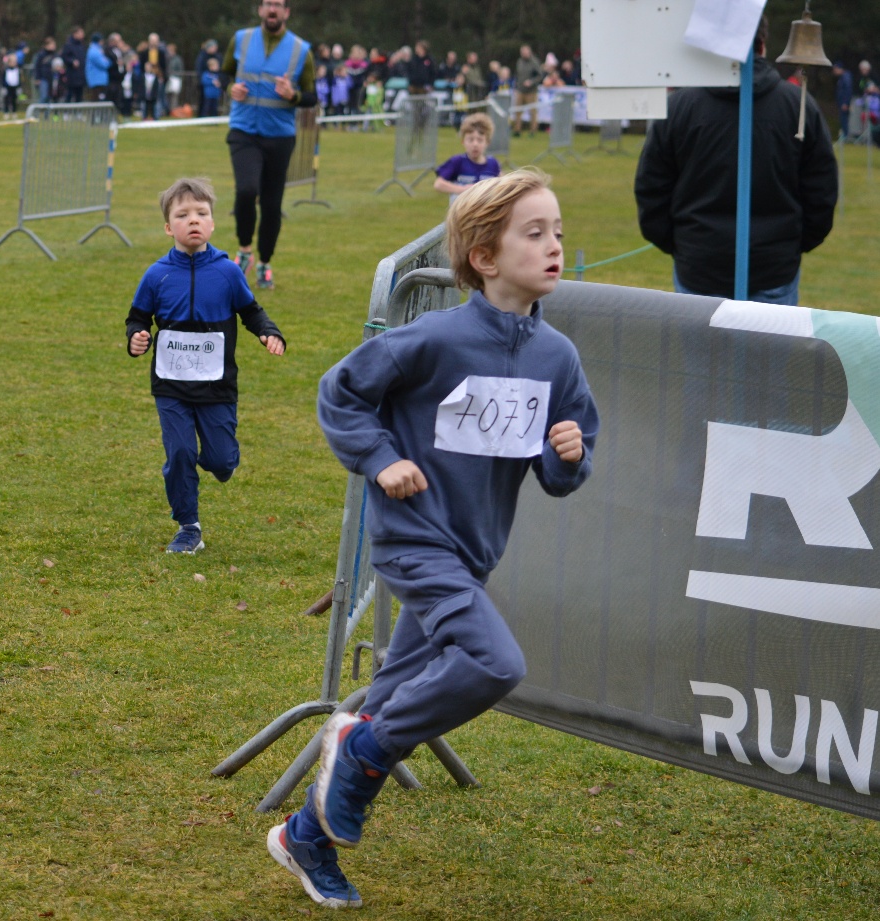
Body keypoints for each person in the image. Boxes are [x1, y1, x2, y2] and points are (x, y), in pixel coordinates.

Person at [269, 168, 597, 909]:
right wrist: (384, 461)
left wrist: (567, 453)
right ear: (483, 256)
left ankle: (304, 837)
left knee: (388, 699)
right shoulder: (435, 337)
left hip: (475, 554)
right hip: (416, 545)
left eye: (559, 233)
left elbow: (564, 466)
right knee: (494, 661)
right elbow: (341, 391)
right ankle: (363, 751)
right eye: (535, 233)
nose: (554, 247)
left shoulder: (558, 359)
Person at [125, 178, 287, 555]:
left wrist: (269, 333)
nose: (193, 221)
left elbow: (251, 311)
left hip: (216, 386)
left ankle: (219, 459)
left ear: (213, 224)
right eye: (182, 215)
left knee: (220, 460)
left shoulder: (228, 272)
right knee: (180, 452)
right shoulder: (157, 274)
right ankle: (188, 526)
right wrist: (136, 339)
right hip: (171, 385)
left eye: (201, 214)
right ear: (169, 227)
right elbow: (137, 318)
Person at [634, 16, 837, 305]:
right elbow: (652, 189)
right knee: (764, 354)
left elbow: (821, 193)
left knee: (712, 354)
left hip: (749, 269)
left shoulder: (679, 106)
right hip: (722, 269)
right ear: (763, 45)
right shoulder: (798, 106)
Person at [220, 0, 318, 291]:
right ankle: (245, 250)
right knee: (247, 189)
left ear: (286, 12)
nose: (272, 9)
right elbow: (223, 75)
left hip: (279, 136)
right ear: (260, 9)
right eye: (268, 4)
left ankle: (264, 263)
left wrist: (294, 96)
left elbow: (312, 97)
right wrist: (229, 88)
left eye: (278, 4)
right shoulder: (241, 39)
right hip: (244, 129)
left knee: (272, 206)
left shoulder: (302, 50)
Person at [434, 112, 500, 203]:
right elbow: (438, 184)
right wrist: (462, 189)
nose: (475, 144)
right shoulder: (457, 161)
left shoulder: (493, 164)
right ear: (463, 141)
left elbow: (502, 186)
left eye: (480, 140)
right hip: (460, 213)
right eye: (470, 139)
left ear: (487, 142)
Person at [514, 45, 541, 135]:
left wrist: (531, 82)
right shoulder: (519, 61)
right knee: (518, 111)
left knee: (532, 112)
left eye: (525, 52)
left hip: (531, 91)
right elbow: (517, 75)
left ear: (529, 52)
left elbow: (539, 76)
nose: (523, 54)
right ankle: (517, 130)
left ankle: (533, 130)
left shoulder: (534, 62)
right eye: (522, 52)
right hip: (520, 90)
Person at [61, 26, 86, 103]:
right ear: (75, 34)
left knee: (79, 95)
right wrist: (72, 61)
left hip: (80, 75)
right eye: (80, 33)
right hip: (72, 75)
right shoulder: (68, 45)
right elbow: (64, 56)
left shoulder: (81, 45)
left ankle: (78, 112)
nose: (82, 35)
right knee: (70, 94)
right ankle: (66, 112)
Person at [86, 33, 111, 101]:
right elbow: (104, 64)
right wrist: (109, 61)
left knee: (98, 97)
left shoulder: (96, 50)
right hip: (97, 79)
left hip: (98, 79)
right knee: (96, 98)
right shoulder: (95, 51)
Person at [834, 62, 854, 139]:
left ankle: (846, 136)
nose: (834, 71)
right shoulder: (842, 77)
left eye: (835, 69)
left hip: (844, 103)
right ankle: (845, 135)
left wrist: (846, 103)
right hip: (842, 103)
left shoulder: (846, 77)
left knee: (844, 119)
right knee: (843, 119)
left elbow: (848, 90)